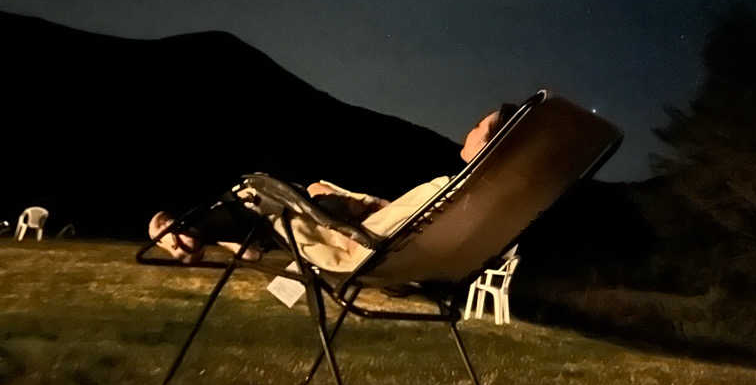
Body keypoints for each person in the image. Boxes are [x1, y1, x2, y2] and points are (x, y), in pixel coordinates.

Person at [148, 103, 518, 272]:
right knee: (309, 188)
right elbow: (402, 223)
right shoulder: (475, 203)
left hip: (355, 250)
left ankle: (186, 230)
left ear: (489, 145)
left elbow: (381, 231)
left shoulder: (446, 188)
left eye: (476, 126)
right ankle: (227, 237)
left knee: (257, 189)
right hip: (391, 253)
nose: (466, 131)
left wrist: (335, 206)